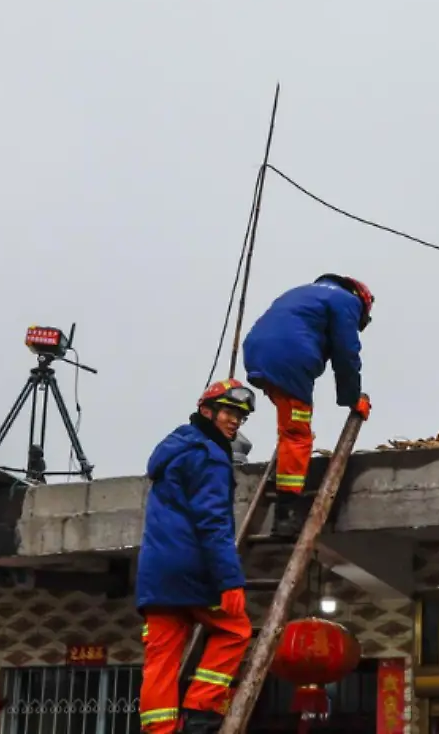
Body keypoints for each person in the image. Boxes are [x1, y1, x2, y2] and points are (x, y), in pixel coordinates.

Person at [137, 380, 258, 734]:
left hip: (156, 575)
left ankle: (158, 730)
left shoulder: (174, 449)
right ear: (206, 411)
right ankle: (201, 712)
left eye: (240, 416)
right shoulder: (210, 456)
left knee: (160, 657)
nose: (235, 422)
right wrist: (230, 580)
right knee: (235, 630)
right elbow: (213, 523)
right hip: (192, 569)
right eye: (229, 413)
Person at [242, 275, 374, 536]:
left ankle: (289, 467)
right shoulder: (346, 301)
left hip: (258, 354)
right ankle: (286, 513)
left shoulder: (302, 292)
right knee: (297, 434)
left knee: (291, 422)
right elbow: (346, 352)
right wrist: (352, 398)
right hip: (290, 358)